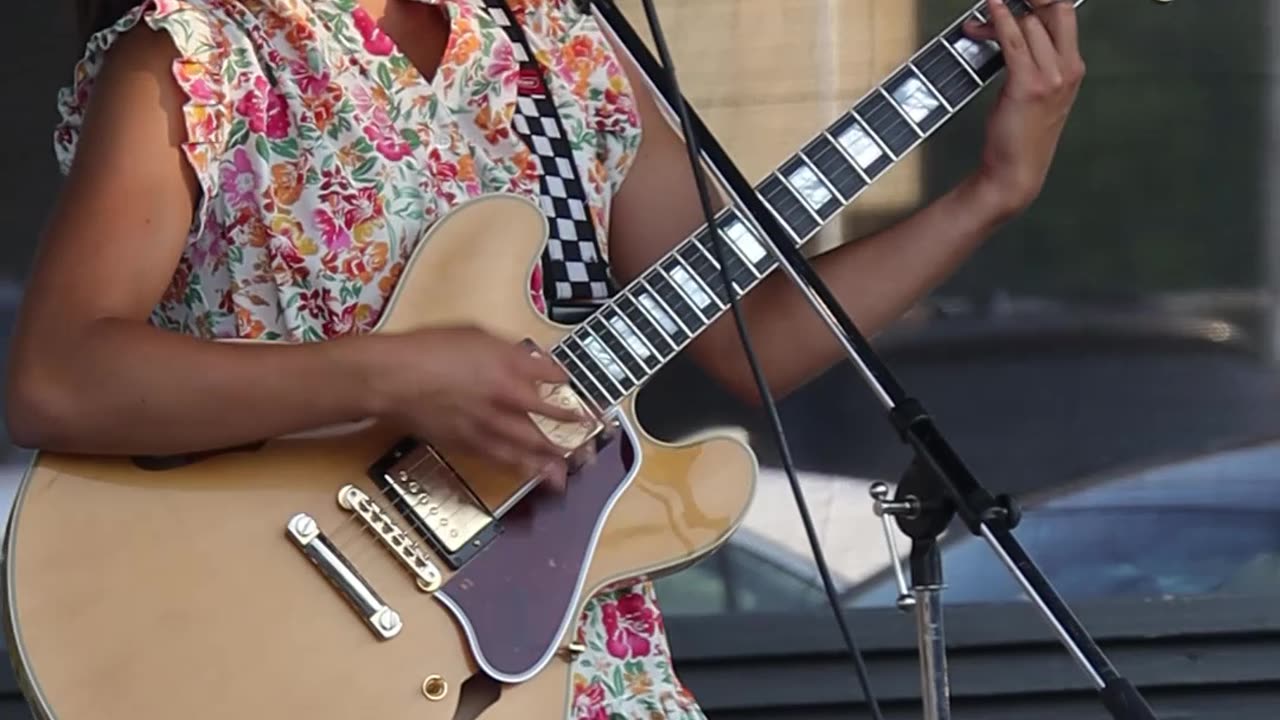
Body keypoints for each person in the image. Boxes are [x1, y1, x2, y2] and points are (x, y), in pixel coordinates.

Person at [6, 0, 1084, 717]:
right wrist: (390, 374)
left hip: (577, 657)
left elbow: (756, 343)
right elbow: (58, 377)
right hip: (281, 625)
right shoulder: (205, 49)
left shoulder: (565, 47)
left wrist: (988, 197)